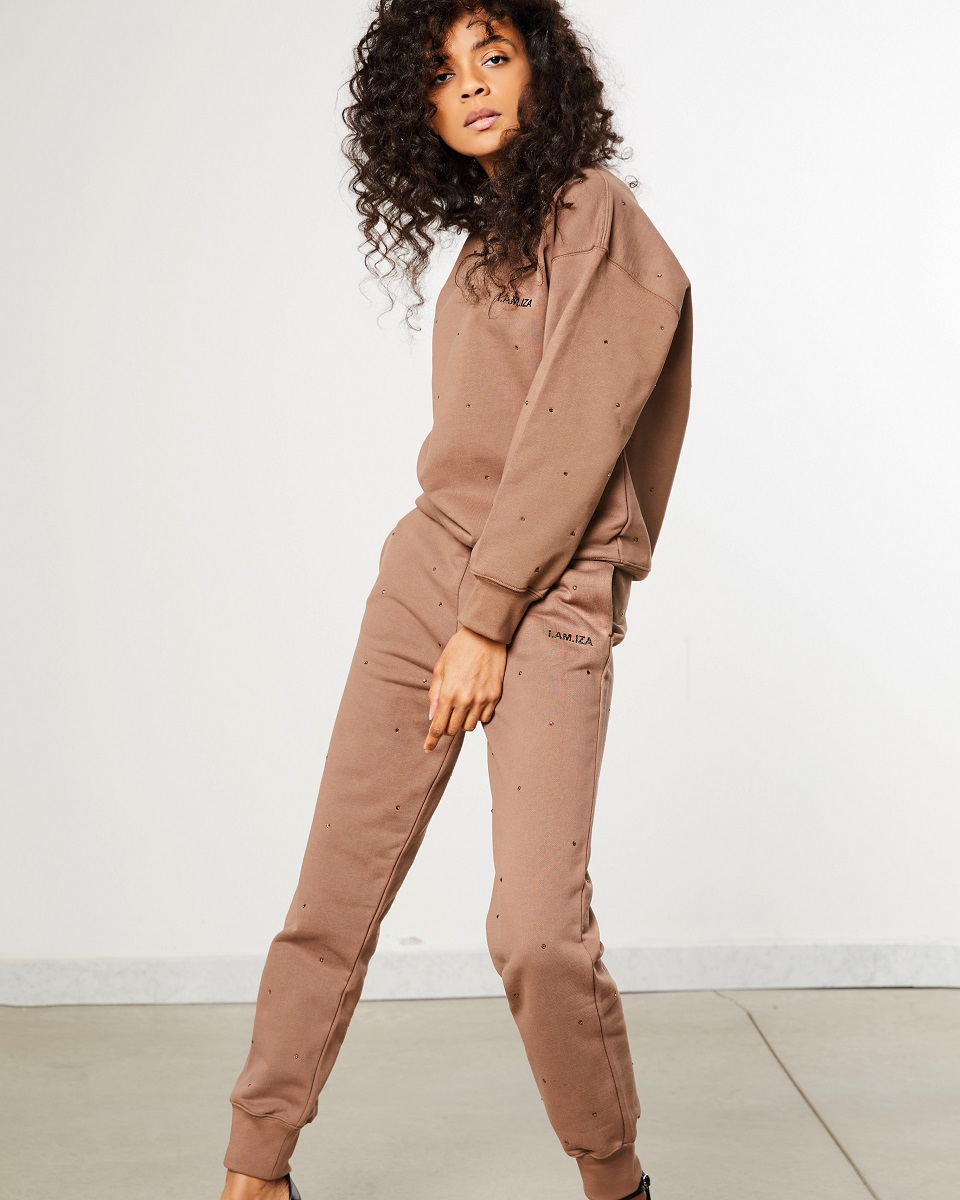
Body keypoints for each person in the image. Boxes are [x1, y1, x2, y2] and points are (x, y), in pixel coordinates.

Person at [220, 2, 692, 1198]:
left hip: (549, 590)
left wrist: (487, 621)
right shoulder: (485, 249)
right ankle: (254, 1172)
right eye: (441, 73)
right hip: (429, 570)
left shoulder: (597, 217)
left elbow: (572, 438)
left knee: (534, 931)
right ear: (416, 112)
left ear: (543, 67)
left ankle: (616, 1180)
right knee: (334, 890)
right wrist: (458, 602)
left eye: (495, 54)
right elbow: (473, 459)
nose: (473, 84)